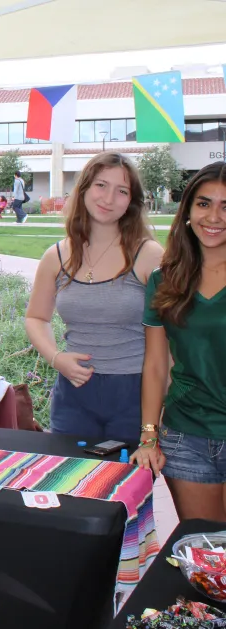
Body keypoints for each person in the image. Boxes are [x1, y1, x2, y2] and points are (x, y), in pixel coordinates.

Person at [24, 152, 163, 442]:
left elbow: (171, 338)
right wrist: (56, 358)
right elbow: (36, 318)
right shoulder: (57, 256)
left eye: (121, 191)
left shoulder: (148, 256)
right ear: (84, 188)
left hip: (134, 396)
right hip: (73, 395)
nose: (109, 198)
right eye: (101, 185)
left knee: (127, 486)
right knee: (67, 483)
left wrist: (157, 418)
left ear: (132, 201)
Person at [131, 162, 226, 521]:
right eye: (204, 203)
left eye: (225, 206)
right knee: (206, 555)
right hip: (187, 438)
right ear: (187, 209)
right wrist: (149, 436)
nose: (213, 216)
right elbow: (156, 365)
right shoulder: (165, 279)